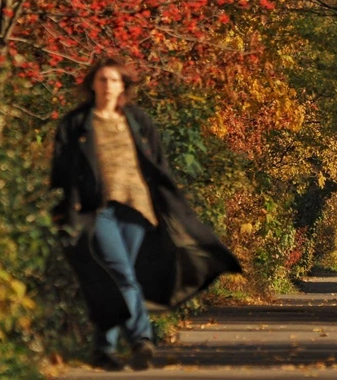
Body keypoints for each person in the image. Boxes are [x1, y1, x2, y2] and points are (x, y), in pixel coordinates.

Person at [50, 56, 242, 371]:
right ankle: (141, 338)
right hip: (96, 209)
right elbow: (61, 168)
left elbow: (158, 163)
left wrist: (166, 201)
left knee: (119, 277)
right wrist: (63, 206)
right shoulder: (76, 123)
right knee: (121, 272)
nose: (108, 85)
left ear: (123, 86)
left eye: (114, 80)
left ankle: (104, 351)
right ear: (92, 84)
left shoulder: (137, 120)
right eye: (102, 79)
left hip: (137, 207)